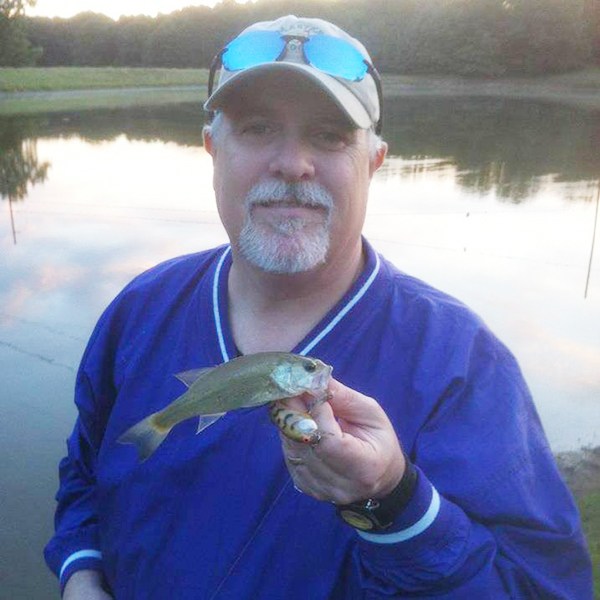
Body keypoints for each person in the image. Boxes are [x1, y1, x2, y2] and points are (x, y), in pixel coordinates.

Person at [45, 14, 593, 599]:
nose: (292, 163)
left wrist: (394, 503)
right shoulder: (139, 309)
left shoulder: (461, 362)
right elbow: (86, 473)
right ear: (212, 150)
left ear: (374, 162)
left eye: (330, 135)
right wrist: (81, 573)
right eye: (257, 128)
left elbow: (541, 588)